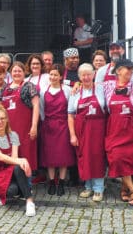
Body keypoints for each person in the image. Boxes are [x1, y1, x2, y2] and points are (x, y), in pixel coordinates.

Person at [103, 59, 133, 206]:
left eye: (132, 69)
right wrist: (78, 85)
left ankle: (126, 189)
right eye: (127, 69)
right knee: (116, 157)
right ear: (118, 71)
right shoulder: (107, 86)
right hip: (115, 127)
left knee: (130, 159)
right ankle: (132, 190)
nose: (130, 71)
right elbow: (88, 85)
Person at [0, 106, 36, 217]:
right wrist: (22, 160)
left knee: (18, 167)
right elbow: (1, 157)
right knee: (12, 191)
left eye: (2, 118)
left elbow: (14, 159)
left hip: (9, 169)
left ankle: (29, 202)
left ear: (7, 119)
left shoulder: (13, 135)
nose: (0, 122)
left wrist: (22, 161)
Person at [68, 63, 106, 202]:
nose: (86, 77)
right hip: (81, 130)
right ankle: (88, 186)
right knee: (84, 157)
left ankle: (98, 188)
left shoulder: (102, 89)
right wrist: (72, 134)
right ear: (79, 77)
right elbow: (70, 115)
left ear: (94, 75)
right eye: (83, 75)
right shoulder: (75, 92)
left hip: (98, 130)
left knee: (97, 157)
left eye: (89, 74)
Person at [1, 61, 40, 179]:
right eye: (14, 71)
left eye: (19, 71)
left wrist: (34, 126)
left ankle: (27, 186)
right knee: (11, 156)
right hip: (9, 130)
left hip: (25, 129)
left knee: (26, 155)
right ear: (10, 73)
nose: (17, 73)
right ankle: (14, 185)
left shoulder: (28, 86)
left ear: (24, 73)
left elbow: (36, 106)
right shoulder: (5, 88)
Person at [39, 64, 73, 196]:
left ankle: (62, 182)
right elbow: (41, 109)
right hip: (48, 125)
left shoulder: (67, 90)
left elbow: (70, 108)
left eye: (55, 75)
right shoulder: (43, 91)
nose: (53, 77)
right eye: (51, 74)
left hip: (63, 125)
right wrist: (45, 122)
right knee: (50, 156)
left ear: (61, 76)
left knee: (63, 155)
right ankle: (52, 181)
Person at [61, 48, 80, 186]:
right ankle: (72, 177)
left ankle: (81, 176)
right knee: (69, 147)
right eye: (71, 58)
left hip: (80, 113)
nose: (74, 60)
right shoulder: (62, 73)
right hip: (64, 114)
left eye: (76, 57)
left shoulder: (82, 72)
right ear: (65, 60)